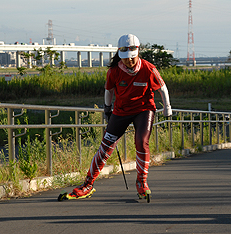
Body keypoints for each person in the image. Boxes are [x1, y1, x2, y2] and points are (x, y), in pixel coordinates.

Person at [68, 34, 172, 199]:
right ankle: (87, 184)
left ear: (137, 52)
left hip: (144, 110)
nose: (129, 62)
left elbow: (162, 88)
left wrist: (167, 107)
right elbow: (108, 90)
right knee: (106, 147)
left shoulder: (148, 68)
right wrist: (107, 108)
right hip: (121, 111)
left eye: (132, 58)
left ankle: (141, 182)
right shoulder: (114, 71)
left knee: (141, 141)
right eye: (125, 59)